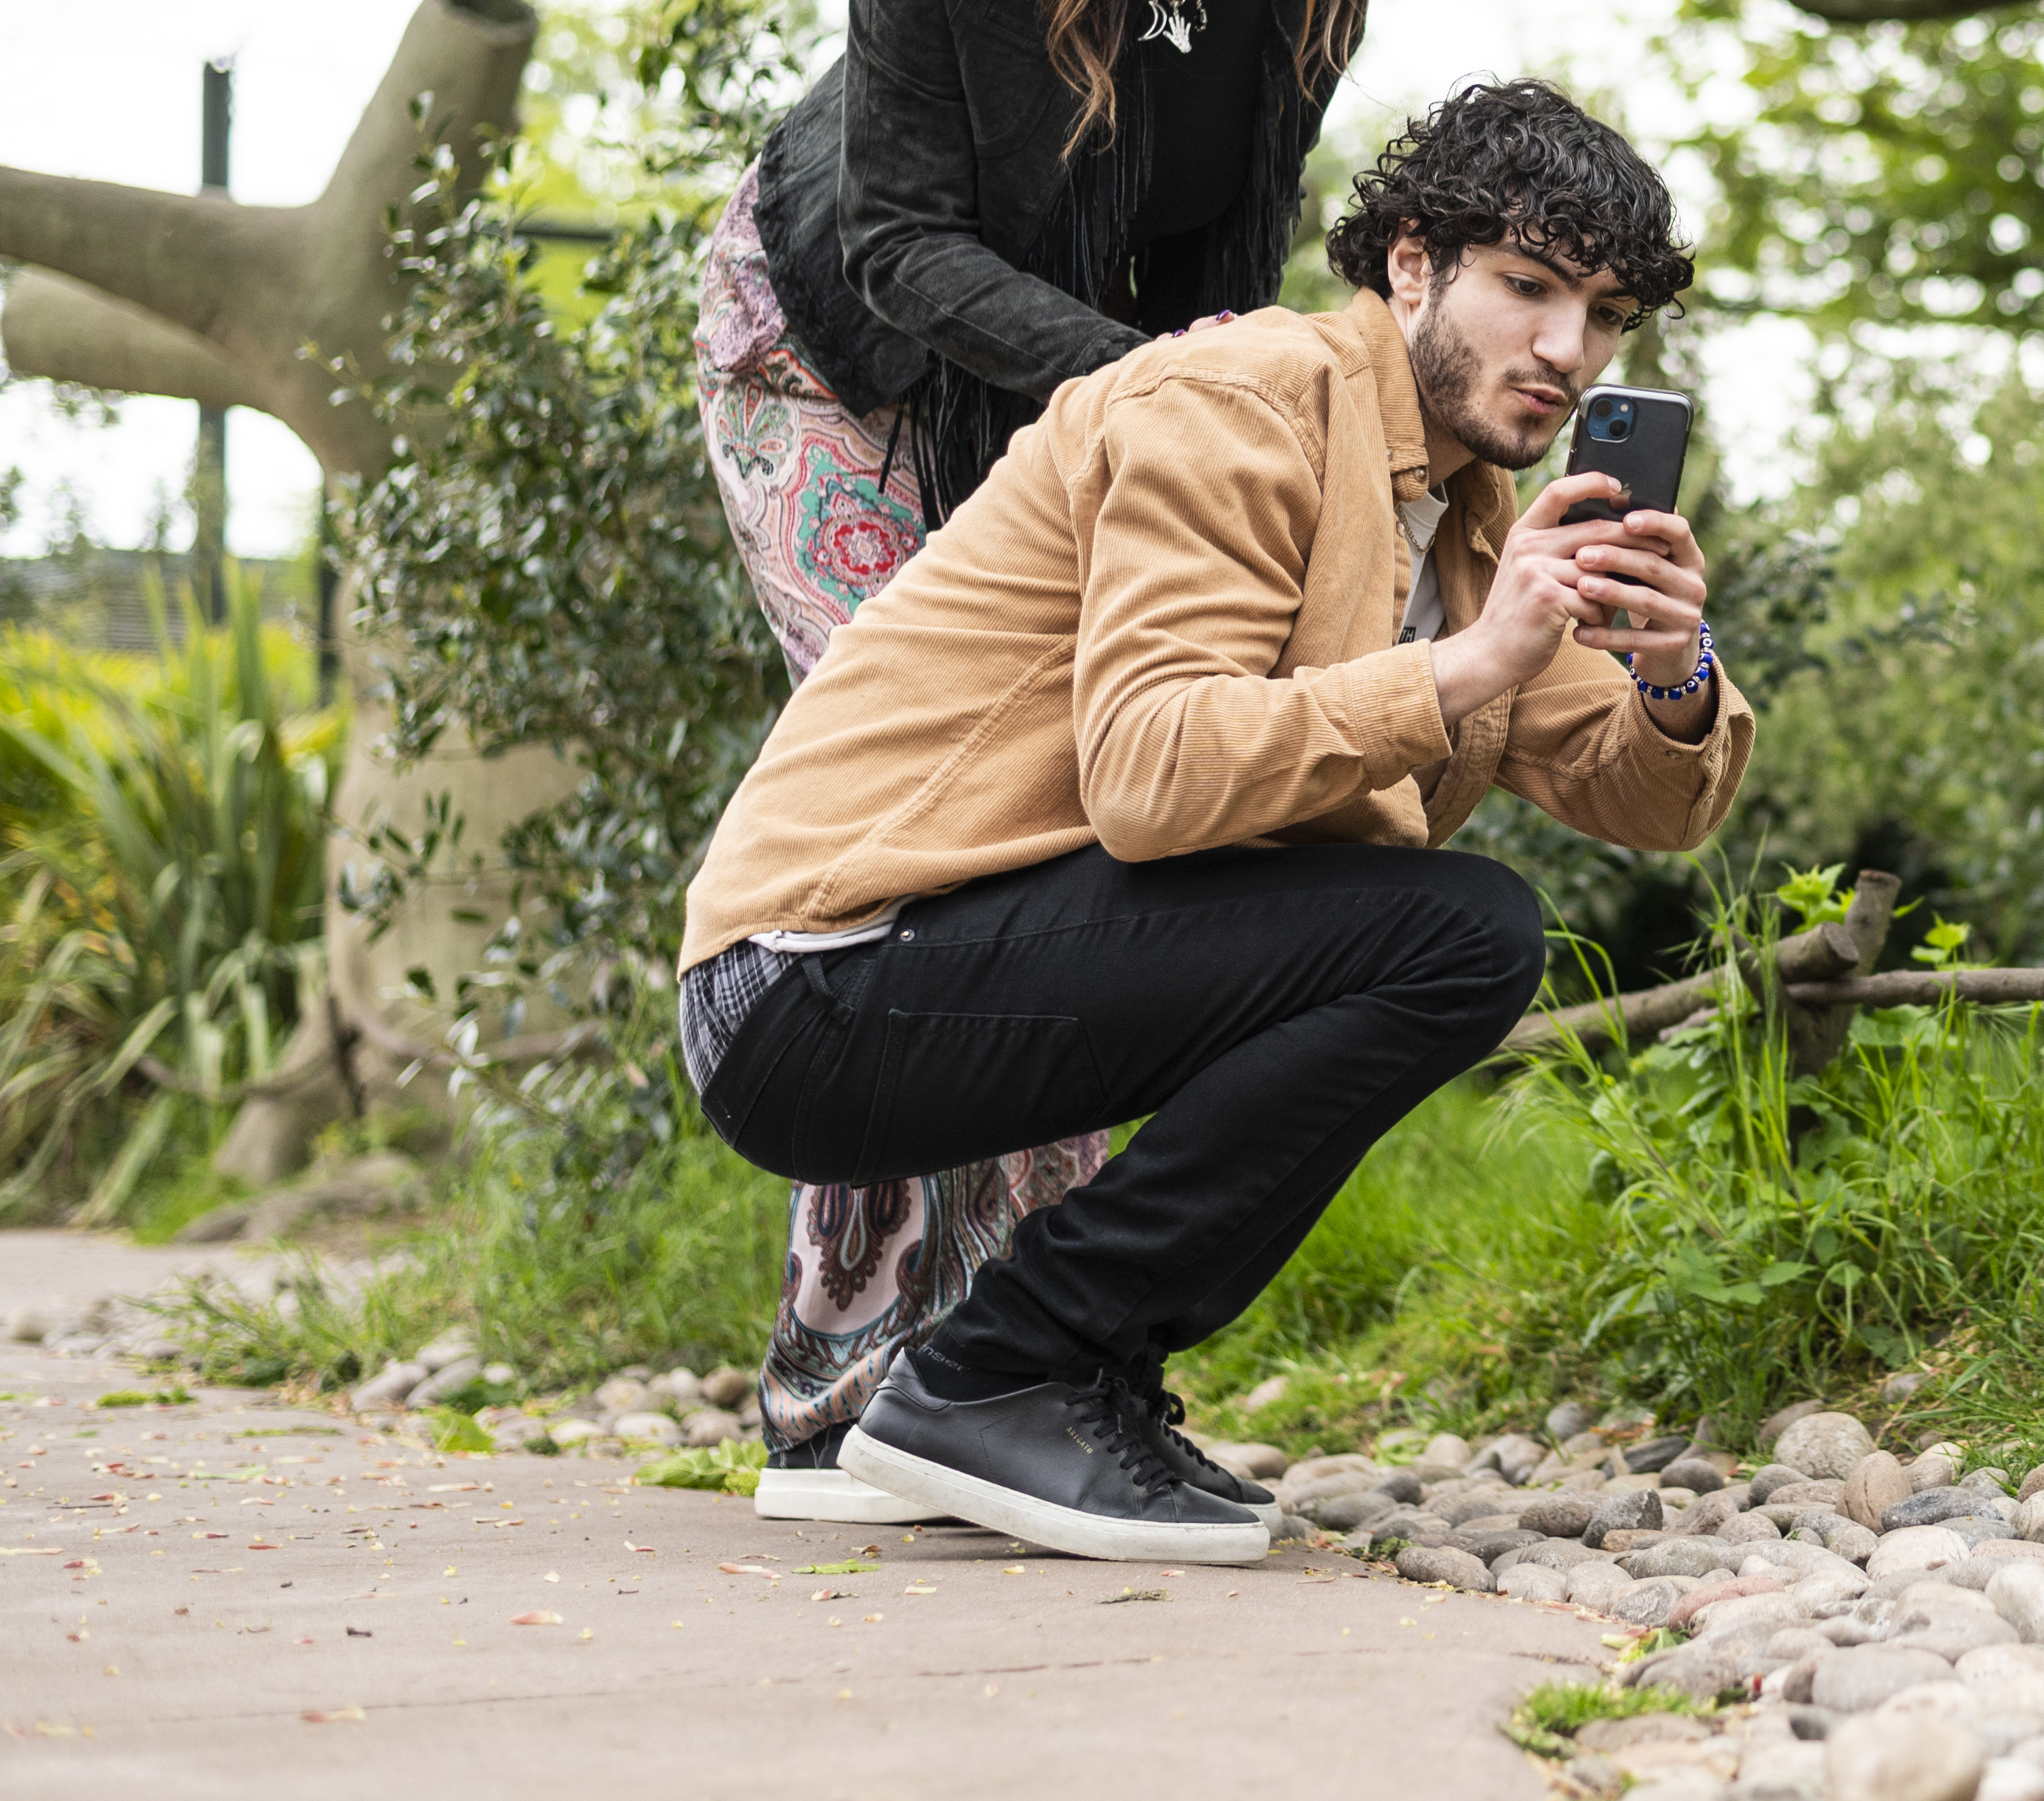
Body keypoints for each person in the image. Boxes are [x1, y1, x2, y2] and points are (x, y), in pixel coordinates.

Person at [674, 79, 1750, 1564]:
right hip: (813, 972)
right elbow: (1151, 770)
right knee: (1459, 930)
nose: (1568, 351)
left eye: (1608, 314)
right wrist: (1461, 667)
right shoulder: (1242, 399)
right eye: (1529, 287)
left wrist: (1673, 668)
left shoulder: (1477, 517)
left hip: (938, 968)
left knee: (1456, 929)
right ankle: (1004, 1370)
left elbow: (1646, 796)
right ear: (1413, 265)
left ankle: (1072, 1376)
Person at [684, 0, 1391, 1522]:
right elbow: (906, 242)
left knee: (1088, 814)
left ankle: (1014, 1362)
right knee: (922, 826)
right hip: (826, 351)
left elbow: (1234, 257)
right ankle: (844, 1376)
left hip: (1075, 392)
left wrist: (1235, 452)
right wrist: (1161, 398)